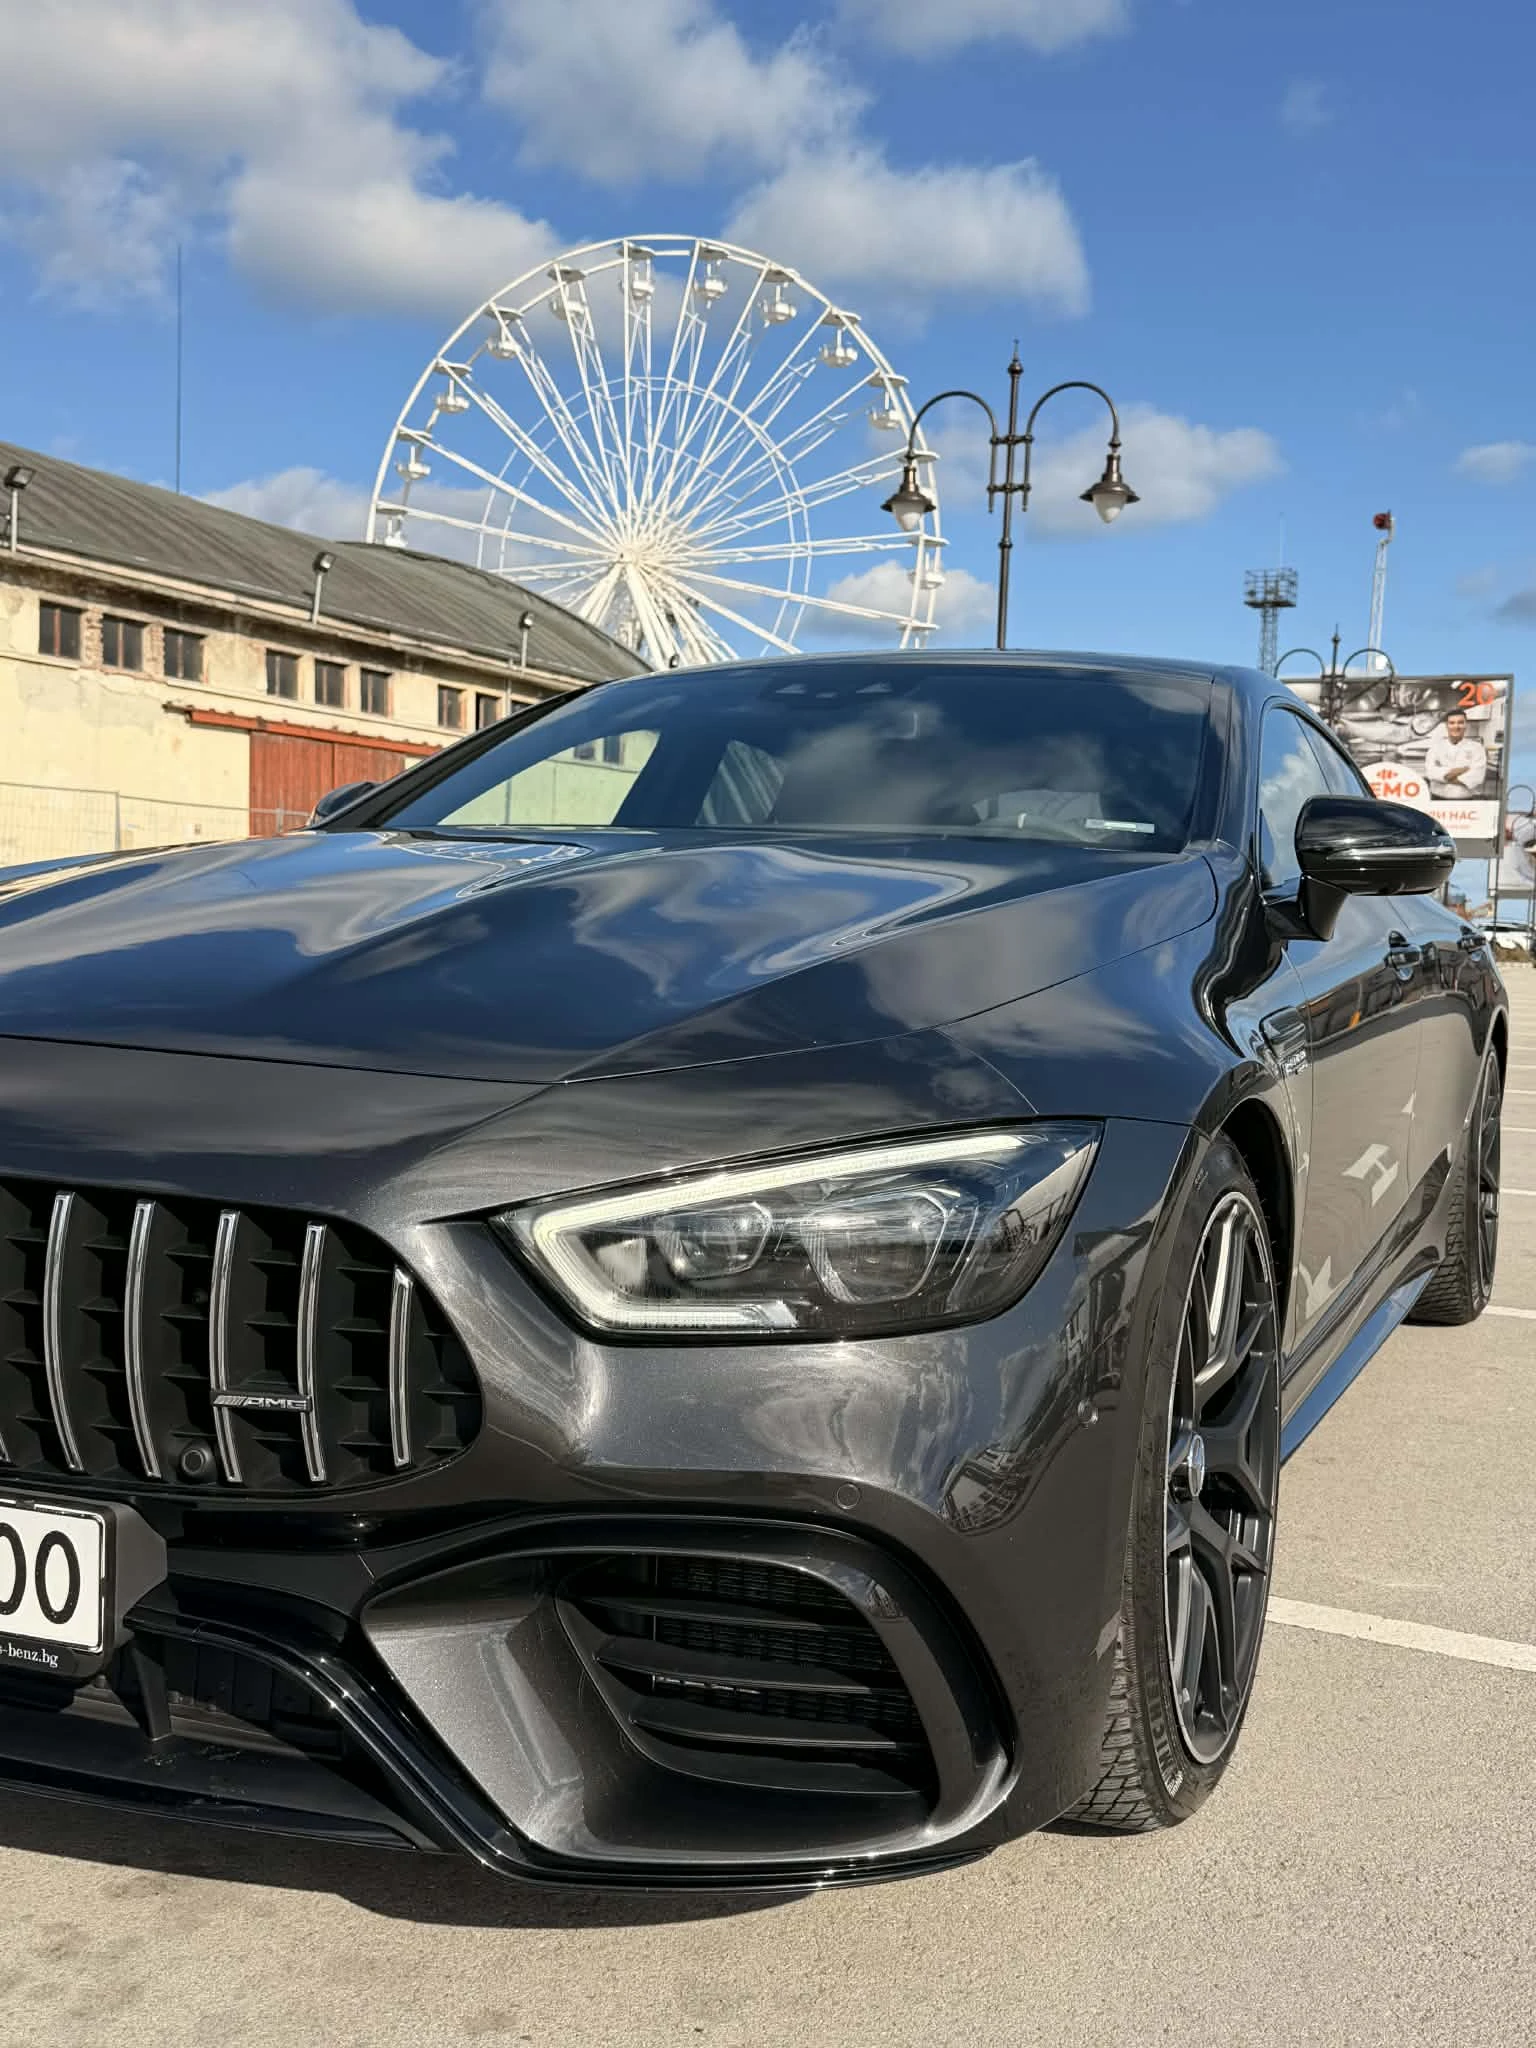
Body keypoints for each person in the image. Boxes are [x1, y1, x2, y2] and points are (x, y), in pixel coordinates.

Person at [1423, 709, 1488, 798]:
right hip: (1437, 801)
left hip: (1466, 802)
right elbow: (1430, 772)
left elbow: (1477, 777)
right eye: (1452, 723)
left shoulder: (1477, 748)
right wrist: (1461, 770)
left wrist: (1443, 775)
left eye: (1460, 722)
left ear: (1466, 725)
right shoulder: (1435, 747)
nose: (1456, 726)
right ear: (1446, 725)